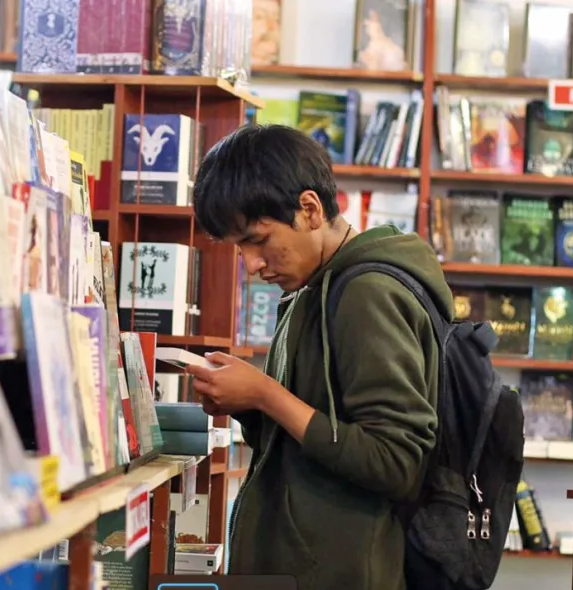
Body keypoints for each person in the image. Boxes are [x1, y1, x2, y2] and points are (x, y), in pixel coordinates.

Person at [186, 124, 454, 590]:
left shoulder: (366, 294)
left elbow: (396, 462)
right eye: (238, 247)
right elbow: (316, 430)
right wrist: (248, 406)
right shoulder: (309, 290)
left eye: (258, 239)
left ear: (309, 209)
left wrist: (267, 395)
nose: (251, 264)